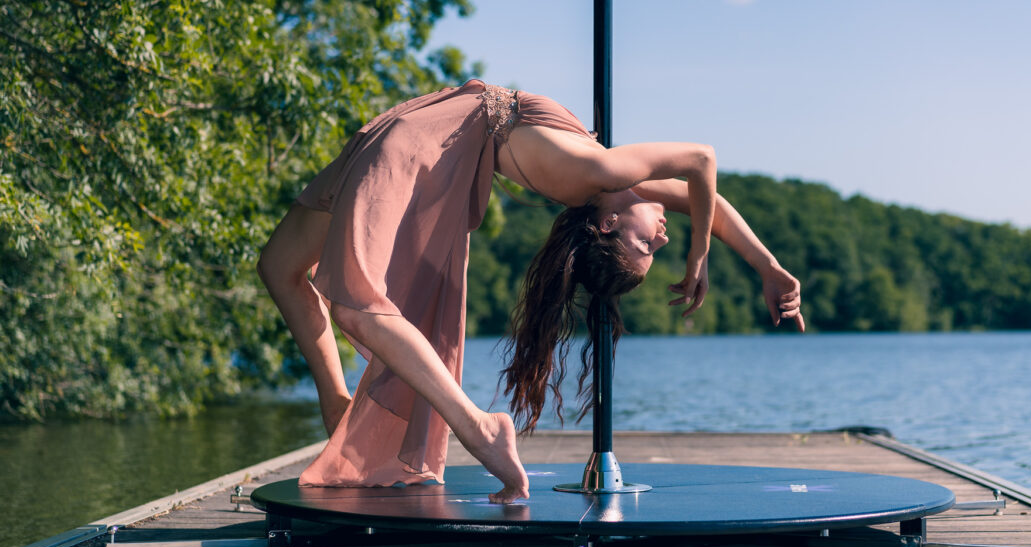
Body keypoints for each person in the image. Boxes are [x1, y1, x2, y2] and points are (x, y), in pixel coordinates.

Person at [257, 79, 803, 504]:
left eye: (649, 246)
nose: (662, 235)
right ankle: (455, 423)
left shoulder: (603, 178)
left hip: (421, 142)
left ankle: (386, 410)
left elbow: (700, 174)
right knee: (301, 277)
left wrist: (734, 258)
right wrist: (730, 259)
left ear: (608, 223)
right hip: (422, 132)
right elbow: (702, 169)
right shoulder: (605, 176)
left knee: (322, 285)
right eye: (655, 245)